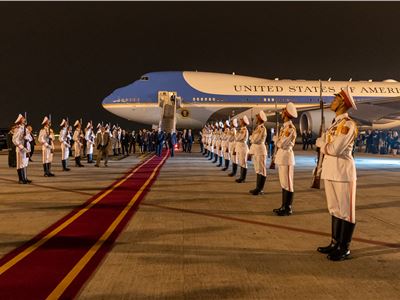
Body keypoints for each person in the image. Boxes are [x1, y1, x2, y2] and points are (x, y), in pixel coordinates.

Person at [316, 87, 358, 261]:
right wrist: (319, 167)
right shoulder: (334, 124)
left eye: (335, 99)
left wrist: (321, 144)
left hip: (343, 172)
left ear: (342, 102)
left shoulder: (348, 125)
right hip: (331, 170)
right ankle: (335, 242)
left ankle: (344, 247)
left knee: (346, 211)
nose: (332, 102)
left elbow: (336, 149)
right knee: (334, 209)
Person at [272, 103, 298, 215]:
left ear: (287, 113)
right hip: (282, 157)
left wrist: (277, 141)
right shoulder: (284, 127)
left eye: (283, 111)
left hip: (287, 157)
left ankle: (288, 208)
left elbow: (282, 144)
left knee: (288, 183)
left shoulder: (290, 128)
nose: (282, 113)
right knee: (283, 183)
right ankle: (283, 206)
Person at [248, 111, 267, 195]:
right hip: (256, 151)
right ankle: (257, 188)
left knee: (261, 170)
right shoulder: (258, 128)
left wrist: (251, 138)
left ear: (260, 118)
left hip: (260, 150)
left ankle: (260, 189)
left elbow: (255, 139)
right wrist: (252, 138)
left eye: (257, 117)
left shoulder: (262, 128)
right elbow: (253, 139)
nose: (255, 118)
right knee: (258, 170)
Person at [12, 114, 32, 184]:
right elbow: (15, 140)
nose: (24, 119)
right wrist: (22, 147)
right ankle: (21, 179)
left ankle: (25, 178)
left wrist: (27, 136)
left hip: (26, 149)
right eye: (23, 118)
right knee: (20, 164)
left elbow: (30, 139)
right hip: (21, 149)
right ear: (20, 120)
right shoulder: (17, 129)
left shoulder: (25, 128)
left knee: (25, 163)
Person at [235, 116, 249, 183]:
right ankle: (241, 177)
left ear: (243, 122)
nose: (239, 122)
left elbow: (237, 138)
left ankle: (243, 178)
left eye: (240, 121)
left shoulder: (244, 130)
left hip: (243, 148)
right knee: (241, 163)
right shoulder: (241, 129)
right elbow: (237, 137)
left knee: (243, 163)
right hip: (240, 147)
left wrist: (237, 135)